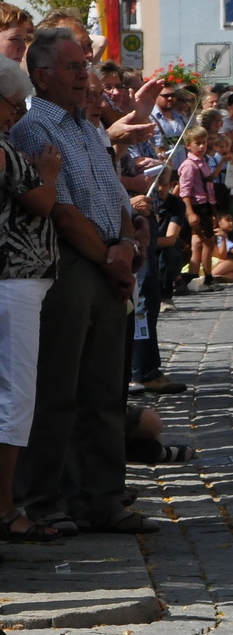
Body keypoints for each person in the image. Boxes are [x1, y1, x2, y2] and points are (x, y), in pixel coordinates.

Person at [11, 27, 156, 536]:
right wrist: (109, 257)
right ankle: (45, 500)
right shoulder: (34, 128)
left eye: (84, 67)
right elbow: (64, 213)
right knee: (57, 392)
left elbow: (111, 192)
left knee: (103, 392)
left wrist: (125, 241)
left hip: (107, 262)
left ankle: (104, 498)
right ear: (42, 75)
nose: (83, 75)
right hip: (71, 266)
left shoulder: (88, 127)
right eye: (73, 67)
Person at [0, 55, 61, 541]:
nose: (17, 115)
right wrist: (49, 176)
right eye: (13, 106)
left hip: (20, 280)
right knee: (15, 396)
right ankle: (5, 509)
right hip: (12, 278)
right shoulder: (2, 149)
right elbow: (39, 201)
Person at [178, 126, 218, 289]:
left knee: (198, 244)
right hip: (196, 206)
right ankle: (208, 277)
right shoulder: (189, 165)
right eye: (198, 143)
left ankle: (193, 276)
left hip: (206, 205)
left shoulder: (202, 162)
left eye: (204, 143)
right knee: (208, 242)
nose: (202, 147)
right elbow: (184, 191)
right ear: (189, 145)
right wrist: (190, 213)